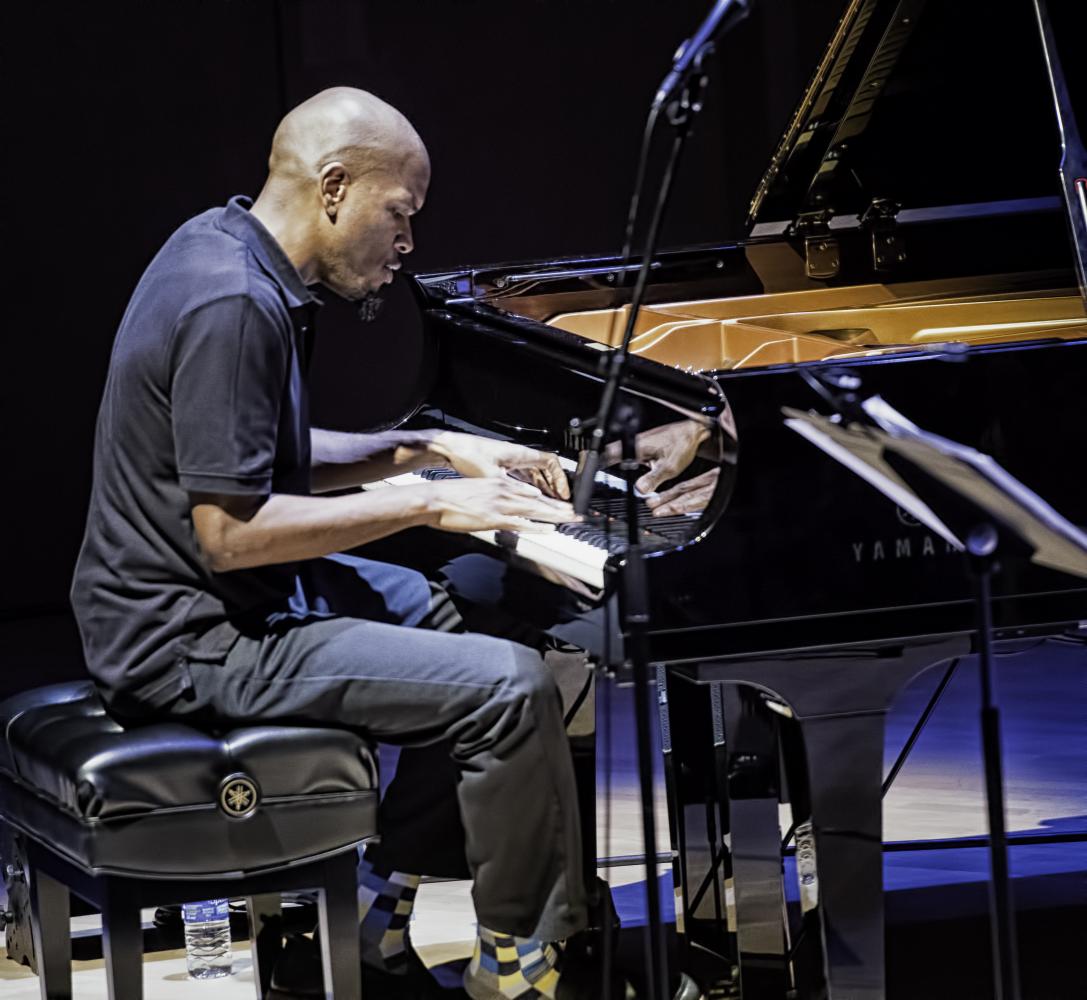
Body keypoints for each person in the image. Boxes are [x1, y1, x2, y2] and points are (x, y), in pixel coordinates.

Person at [71, 86, 590, 999]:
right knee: (509, 691)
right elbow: (232, 536)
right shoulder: (233, 303)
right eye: (402, 214)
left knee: (466, 625)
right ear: (337, 186)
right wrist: (426, 507)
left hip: (221, 602)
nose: (408, 243)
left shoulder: (219, 247)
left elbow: (250, 458)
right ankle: (522, 970)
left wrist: (428, 448)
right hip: (189, 640)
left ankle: (370, 907)